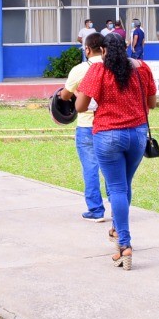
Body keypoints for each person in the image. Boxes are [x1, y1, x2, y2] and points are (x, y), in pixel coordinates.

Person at [74, 32, 157, 271]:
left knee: (118, 188)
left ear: (104, 50)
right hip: (138, 135)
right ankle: (118, 229)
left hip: (108, 135)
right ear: (126, 47)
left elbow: (80, 106)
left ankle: (125, 245)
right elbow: (151, 104)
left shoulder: (98, 71)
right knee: (124, 186)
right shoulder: (142, 69)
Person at [59, 32, 108, 222]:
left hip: (86, 125)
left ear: (87, 49)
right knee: (112, 169)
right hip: (108, 125)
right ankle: (117, 206)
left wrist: (78, 92)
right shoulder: (113, 68)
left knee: (90, 167)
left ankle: (96, 210)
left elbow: (64, 95)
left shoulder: (79, 70)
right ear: (103, 49)